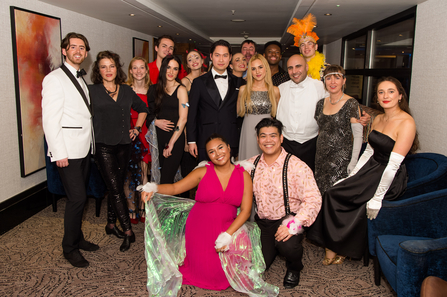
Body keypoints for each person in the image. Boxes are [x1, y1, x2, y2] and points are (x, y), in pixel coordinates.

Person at [139, 134, 279, 296]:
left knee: (223, 276)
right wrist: (153, 188)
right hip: (199, 228)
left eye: (220, 148)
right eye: (211, 152)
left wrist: (228, 235)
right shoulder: (202, 172)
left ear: (228, 148)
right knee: (202, 272)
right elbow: (176, 188)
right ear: (208, 156)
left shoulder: (244, 175)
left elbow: (246, 210)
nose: (218, 153)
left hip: (226, 228)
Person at [306, 77, 419, 265]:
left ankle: (342, 247)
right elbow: (368, 151)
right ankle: (332, 243)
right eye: (381, 92)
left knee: (357, 201)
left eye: (391, 91)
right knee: (333, 192)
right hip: (371, 168)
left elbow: (393, 165)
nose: (385, 96)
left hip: (389, 175)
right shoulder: (379, 118)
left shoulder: (407, 122)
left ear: (400, 95)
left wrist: (377, 197)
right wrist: (351, 177)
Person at [42, 32, 98, 268]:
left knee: (80, 198)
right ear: (64, 51)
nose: (78, 51)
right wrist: (58, 153)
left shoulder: (79, 77)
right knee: (77, 199)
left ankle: (78, 237)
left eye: (82, 48)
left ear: (86, 53)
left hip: (83, 148)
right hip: (68, 151)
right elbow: (50, 120)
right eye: (73, 47)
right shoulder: (54, 78)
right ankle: (69, 248)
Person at [247, 118, 322, 288]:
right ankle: (273, 248)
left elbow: (314, 198)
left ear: (281, 138)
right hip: (263, 223)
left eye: (273, 136)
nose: (268, 140)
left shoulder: (297, 166)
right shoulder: (251, 164)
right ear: (258, 140)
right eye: (263, 136)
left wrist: (294, 223)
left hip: (289, 219)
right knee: (259, 265)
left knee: (288, 247)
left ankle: (295, 267)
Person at [89, 51, 148, 252]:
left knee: (116, 186)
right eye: (103, 67)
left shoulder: (126, 90)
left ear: (117, 68)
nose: (108, 70)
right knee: (115, 189)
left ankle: (111, 225)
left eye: (111, 66)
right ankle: (128, 231)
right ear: (98, 70)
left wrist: (137, 128)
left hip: (124, 145)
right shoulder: (91, 91)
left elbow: (143, 109)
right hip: (103, 146)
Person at [187, 39, 243, 161]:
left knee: (229, 178)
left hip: (230, 138)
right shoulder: (198, 83)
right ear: (211, 57)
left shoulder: (239, 82)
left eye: (225, 55)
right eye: (217, 55)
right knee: (207, 177)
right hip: (205, 139)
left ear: (230, 57)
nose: (221, 60)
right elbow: (192, 114)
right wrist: (191, 140)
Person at [314, 65, 362, 194]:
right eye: (328, 78)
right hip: (321, 158)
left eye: (337, 77)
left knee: (335, 195)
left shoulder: (351, 103)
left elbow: (358, 136)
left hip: (341, 159)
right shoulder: (320, 103)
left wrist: (353, 162)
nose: (333, 82)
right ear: (324, 82)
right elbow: (321, 131)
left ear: (344, 80)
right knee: (320, 193)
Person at [276, 54, 327, 172]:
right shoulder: (280, 88)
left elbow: (336, 102)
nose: (294, 71)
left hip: (311, 143)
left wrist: (359, 112)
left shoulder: (320, 87)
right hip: (286, 143)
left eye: (298, 66)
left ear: (307, 67)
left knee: (308, 178)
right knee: (285, 177)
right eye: (290, 68)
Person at [147, 55, 188, 184]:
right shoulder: (153, 89)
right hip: (158, 137)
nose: (171, 72)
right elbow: (149, 113)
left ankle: (166, 204)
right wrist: (155, 121)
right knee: (158, 177)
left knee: (167, 178)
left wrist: (171, 143)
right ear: (163, 68)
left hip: (175, 138)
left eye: (175, 69)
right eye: (168, 67)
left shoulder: (181, 90)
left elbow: (183, 118)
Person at [124, 56, 151, 224]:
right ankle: (131, 208)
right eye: (135, 68)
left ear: (147, 70)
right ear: (130, 71)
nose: (139, 71)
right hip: (127, 133)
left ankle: (142, 207)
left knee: (143, 173)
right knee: (127, 174)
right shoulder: (124, 89)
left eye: (142, 67)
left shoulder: (153, 90)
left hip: (145, 133)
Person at [237, 54, 280, 160]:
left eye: (260, 67)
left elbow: (279, 116)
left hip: (268, 131)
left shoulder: (274, 90)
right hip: (248, 130)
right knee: (248, 162)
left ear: (266, 68)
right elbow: (237, 112)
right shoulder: (243, 90)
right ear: (250, 71)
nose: (257, 72)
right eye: (253, 69)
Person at [287, 13, 327, 80]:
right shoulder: (295, 69)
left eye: (310, 43)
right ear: (300, 49)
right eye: (303, 45)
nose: (306, 47)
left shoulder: (326, 68)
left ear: (316, 47)